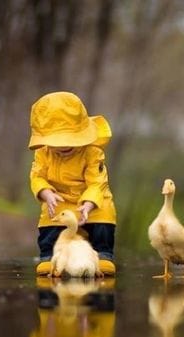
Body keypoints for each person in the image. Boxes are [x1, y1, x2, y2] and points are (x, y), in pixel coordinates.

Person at [28, 91, 116, 276]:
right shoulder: (43, 153)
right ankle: (49, 255)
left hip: (92, 200)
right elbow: (37, 177)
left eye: (69, 139)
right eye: (56, 141)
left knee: (104, 218)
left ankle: (103, 254)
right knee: (49, 223)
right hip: (59, 199)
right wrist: (46, 193)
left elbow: (96, 182)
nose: (63, 146)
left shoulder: (92, 151)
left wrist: (88, 203)